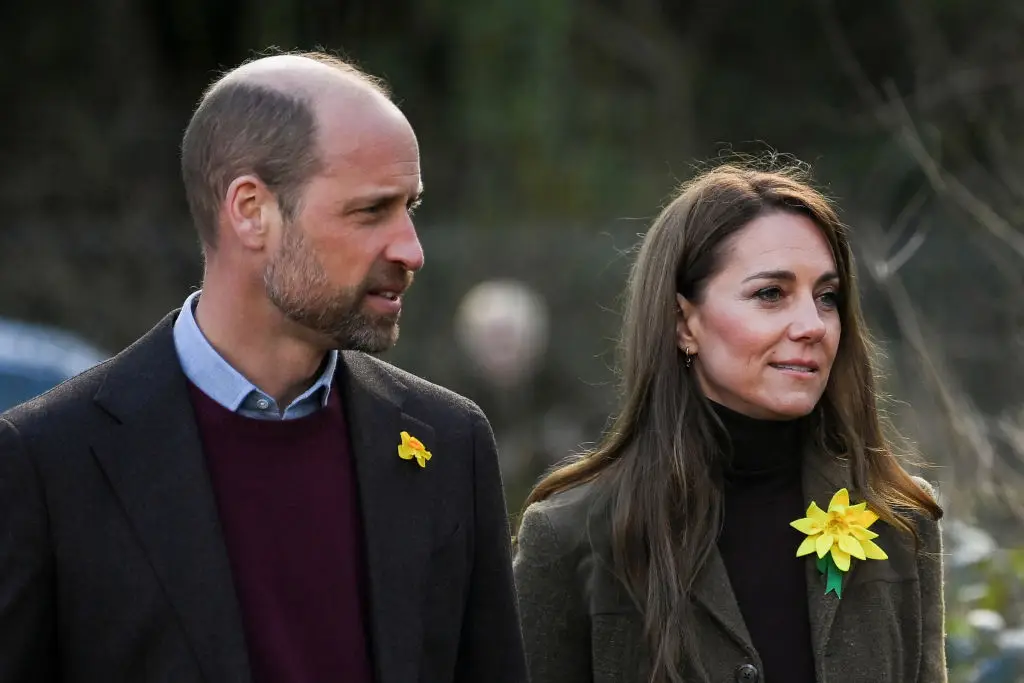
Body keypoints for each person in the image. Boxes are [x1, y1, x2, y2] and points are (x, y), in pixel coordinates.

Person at [0, 51, 526, 683]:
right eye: (370, 211)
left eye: (409, 207)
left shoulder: (448, 442)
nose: (410, 249)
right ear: (251, 211)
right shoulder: (47, 461)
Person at [513, 162, 946, 683]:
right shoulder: (572, 536)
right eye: (771, 294)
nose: (812, 325)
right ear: (682, 323)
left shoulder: (898, 522)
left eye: (826, 297)